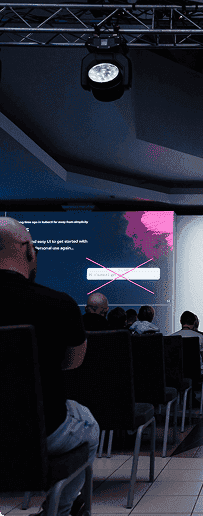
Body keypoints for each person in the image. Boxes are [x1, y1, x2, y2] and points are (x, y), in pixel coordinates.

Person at [0, 217, 99, 516]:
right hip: (43, 429)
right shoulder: (58, 304)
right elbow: (73, 362)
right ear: (27, 249)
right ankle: (60, 510)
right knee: (89, 424)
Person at [171, 311, 203, 406]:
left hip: (177, 375)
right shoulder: (200, 337)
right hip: (196, 374)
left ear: (180, 321)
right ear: (194, 322)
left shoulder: (171, 338)